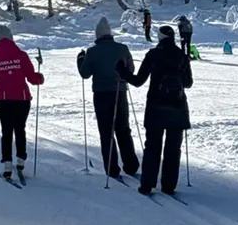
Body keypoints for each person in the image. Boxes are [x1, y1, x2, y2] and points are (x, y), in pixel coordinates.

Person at [117, 26, 192, 196]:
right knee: (173, 149)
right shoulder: (182, 55)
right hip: (178, 107)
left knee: (153, 147)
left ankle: (147, 184)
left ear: (160, 37)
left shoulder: (153, 55)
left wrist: (122, 71)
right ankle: (169, 185)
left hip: (156, 108)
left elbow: (137, 81)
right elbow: (188, 83)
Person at [77, 17, 139, 178]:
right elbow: (130, 70)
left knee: (106, 132)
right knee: (123, 129)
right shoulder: (123, 48)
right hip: (120, 92)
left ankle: (112, 168)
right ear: (110, 34)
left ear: (97, 36)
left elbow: (85, 74)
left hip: (101, 94)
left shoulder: (92, 52)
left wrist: (80, 60)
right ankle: (131, 165)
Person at [0, 25, 44, 179]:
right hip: (22, 99)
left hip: (5, 100)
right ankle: (20, 160)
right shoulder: (22, 55)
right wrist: (40, 77)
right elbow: (32, 78)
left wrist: (2, 83)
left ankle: (7, 164)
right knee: (20, 129)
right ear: (11, 38)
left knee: (6, 131)